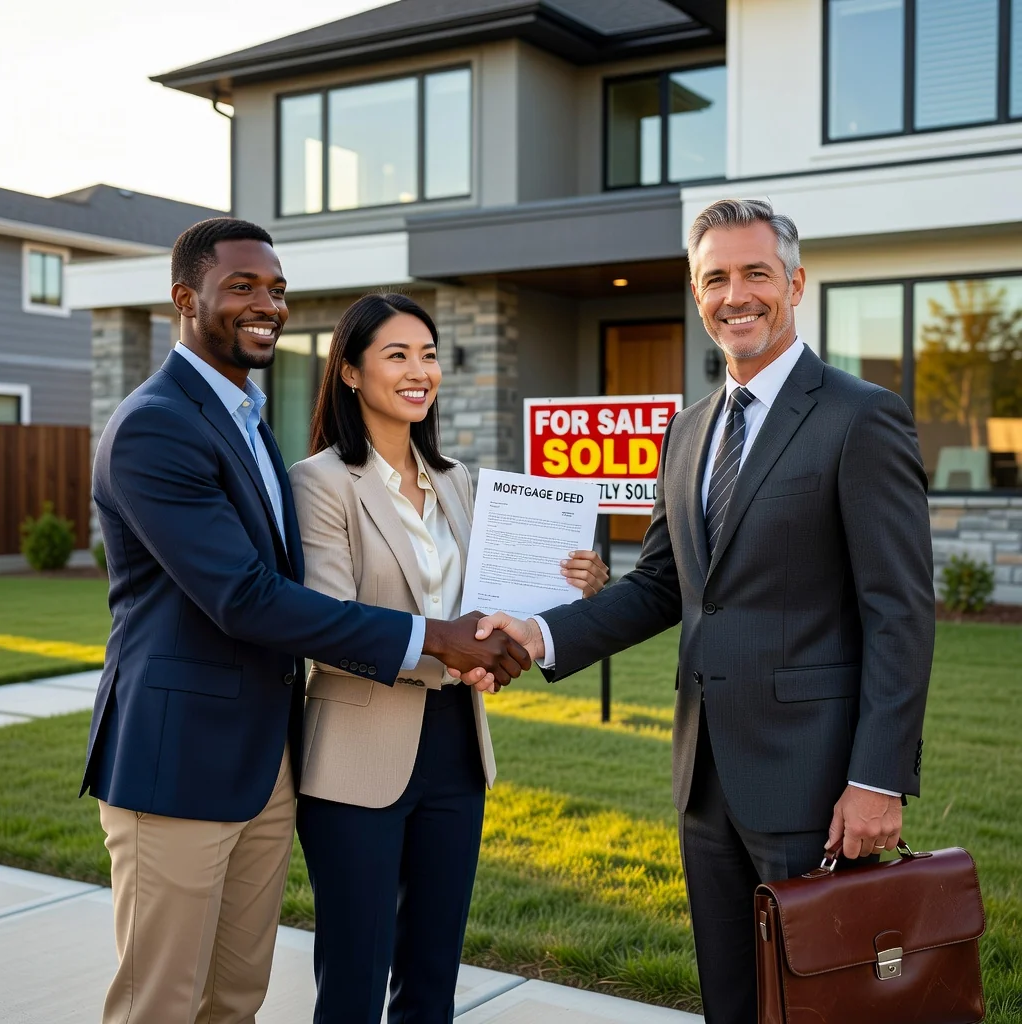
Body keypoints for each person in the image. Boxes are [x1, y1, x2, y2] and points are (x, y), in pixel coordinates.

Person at [467, 199, 935, 1024]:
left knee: (818, 1003)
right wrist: (538, 632)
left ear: (795, 282)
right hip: (704, 776)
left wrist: (877, 780)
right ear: (696, 293)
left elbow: (899, 612)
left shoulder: (860, 416)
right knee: (729, 994)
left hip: (817, 777)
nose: (736, 294)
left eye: (756, 273)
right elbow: (662, 586)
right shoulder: (686, 432)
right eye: (716, 278)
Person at [84, 220, 530, 1024]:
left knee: (233, 1001)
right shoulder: (157, 424)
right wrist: (433, 636)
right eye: (243, 287)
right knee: (158, 1004)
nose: (268, 305)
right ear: (185, 300)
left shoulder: (247, 419)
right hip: (176, 758)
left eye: (279, 289)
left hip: (265, 763)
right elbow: (246, 597)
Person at [288, 293, 608, 1024]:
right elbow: (331, 625)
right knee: (354, 979)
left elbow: (491, 602)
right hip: (356, 760)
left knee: (433, 976)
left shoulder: (461, 481)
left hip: (456, 750)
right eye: (397, 355)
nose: (419, 371)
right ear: (349, 373)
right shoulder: (321, 483)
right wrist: (451, 650)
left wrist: (578, 588)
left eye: (428, 355)